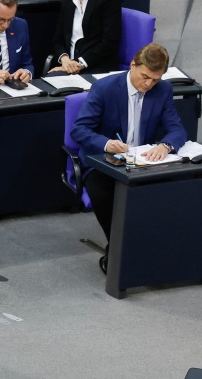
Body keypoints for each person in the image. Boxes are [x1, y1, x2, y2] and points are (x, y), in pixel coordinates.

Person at [70, 42, 187, 249]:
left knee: (173, 190)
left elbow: (177, 130)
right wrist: (106, 143)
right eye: (145, 77)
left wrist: (165, 146)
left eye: (155, 79)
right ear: (133, 65)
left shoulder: (163, 90)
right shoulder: (104, 88)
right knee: (104, 194)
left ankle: (158, 246)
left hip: (143, 162)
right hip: (105, 162)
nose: (149, 84)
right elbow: (80, 130)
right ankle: (119, 249)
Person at [48, 0, 121, 74]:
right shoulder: (67, 2)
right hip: (68, 68)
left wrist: (79, 63)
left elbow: (109, 43)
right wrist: (65, 59)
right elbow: (58, 40)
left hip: (95, 68)